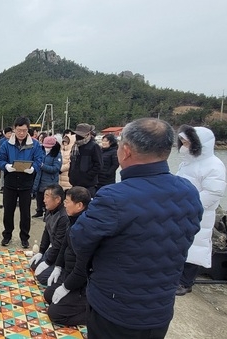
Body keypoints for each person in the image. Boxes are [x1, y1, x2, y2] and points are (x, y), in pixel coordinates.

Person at [69, 118, 203, 338]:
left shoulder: (114, 197)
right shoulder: (188, 191)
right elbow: (187, 233)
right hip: (160, 308)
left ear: (127, 151)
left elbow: (80, 240)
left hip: (115, 308)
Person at [175, 125, 227, 296]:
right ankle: (176, 277)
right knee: (180, 245)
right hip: (182, 210)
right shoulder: (187, 163)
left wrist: (191, 206)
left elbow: (213, 192)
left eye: (186, 142)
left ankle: (186, 282)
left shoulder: (214, 165)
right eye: (182, 142)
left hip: (199, 213)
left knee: (195, 247)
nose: (183, 146)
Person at [43, 186, 92, 326]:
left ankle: (92, 314)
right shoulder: (73, 220)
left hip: (82, 283)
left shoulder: (86, 228)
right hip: (68, 272)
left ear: (79, 205)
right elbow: (64, 244)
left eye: (67, 201)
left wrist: (66, 287)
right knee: (49, 295)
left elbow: (82, 268)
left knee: (55, 313)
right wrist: (58, 266)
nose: (64, 204)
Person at [0, 116, 45, 248]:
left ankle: (24, 237)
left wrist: (34, 168)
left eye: (24, 130)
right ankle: (7, 235)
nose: (21, 133)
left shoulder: (34, 144)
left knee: (25, 213)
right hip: (10, 182)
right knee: (8, 211)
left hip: (26, 183)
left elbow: (39, 159)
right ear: (14, 129)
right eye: (19, 130)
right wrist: (6, 166)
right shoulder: (6, 144)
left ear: (28, 129)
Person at [29, 184, 70, 285]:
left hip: (61, 255)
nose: (44, 200)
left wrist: (48, 262)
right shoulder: (49, 210)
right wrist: (41, 251)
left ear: (57, 199)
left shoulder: (63, 217)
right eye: (44, 196)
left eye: (47, 197)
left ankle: (62, 274)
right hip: (53, 250)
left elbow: (59, 244)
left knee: (42, 278)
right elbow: (46, 231)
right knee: (34, 265)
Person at [68, 123, 103, 197]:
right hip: (75, 183)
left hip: (88, 185)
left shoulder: (94, 146)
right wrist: (70, 174)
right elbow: (72, 162)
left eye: (81, 135)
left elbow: (99, 165)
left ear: (88, 134)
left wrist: (87, 176)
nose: (78, 136)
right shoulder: (76, 146)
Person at [32, 136, 62, 218]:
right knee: (39, 196)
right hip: (39, 179)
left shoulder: (57, 155)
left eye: (49, 147)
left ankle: (47, 214)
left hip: (50, 180)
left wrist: (43, 166)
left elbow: (56, 168)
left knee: (48, 198)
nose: (46, 148)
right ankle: (39, 211)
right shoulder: (40, 152)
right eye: (45, 146)